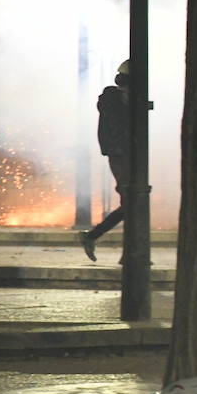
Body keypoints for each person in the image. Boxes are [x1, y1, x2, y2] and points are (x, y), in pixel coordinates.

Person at [79, 61, 130, 262]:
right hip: (121, 154)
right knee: (133, 202)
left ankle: (125, 253)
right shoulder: (113, 97)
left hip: (125, 154)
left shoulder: (120, 98)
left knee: (132, 203)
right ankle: (93, 236)